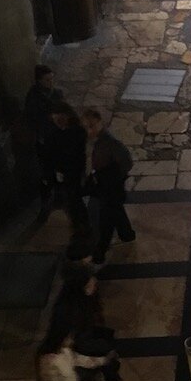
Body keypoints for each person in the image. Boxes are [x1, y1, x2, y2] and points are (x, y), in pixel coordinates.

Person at [82, 109, 135, 265]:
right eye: (86, 127)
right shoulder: (97, 142)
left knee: (106, 222)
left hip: (110, 188)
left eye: (91, 126)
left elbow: (126, 163)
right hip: (107, 188)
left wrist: (114, 178)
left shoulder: (111, 143)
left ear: (100, 124)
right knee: (117, 212)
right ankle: (127, 234)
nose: (88, 130)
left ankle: (99, 253)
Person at [23, 65, 65, 219]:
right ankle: (46, 203)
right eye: (47, 80)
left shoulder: (57, 93)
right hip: (44, 139)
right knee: (47, 171)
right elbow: (31, 118)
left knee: (61, 167)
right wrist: (47, 117)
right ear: (39, 81)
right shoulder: (33, 97)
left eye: (52, 79)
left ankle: (61, 195)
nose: (51, 82)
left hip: (57, 138)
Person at [41, 103, 89, 234]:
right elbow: (48, 153)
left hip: (73, 172)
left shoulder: (77, 131)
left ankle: (82, 224)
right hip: (59, 173)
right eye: (56, 120)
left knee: (74, 200)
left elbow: (77, 154)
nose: (58, 122)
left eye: (61, 119)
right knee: (69, 199)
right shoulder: (53, 132)